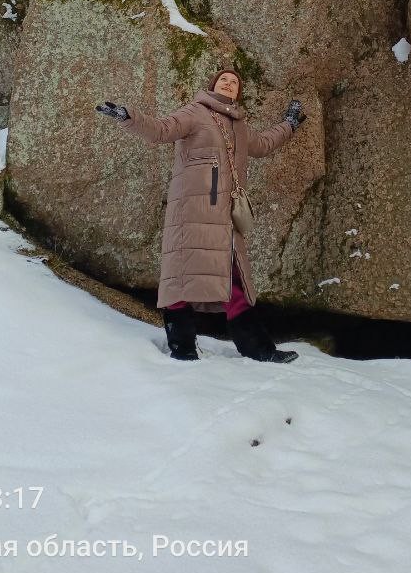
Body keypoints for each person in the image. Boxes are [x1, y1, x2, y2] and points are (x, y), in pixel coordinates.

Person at [96, 67, 306, 363]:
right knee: (180, 277)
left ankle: (260, 349)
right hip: (191, 213)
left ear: (238, 92)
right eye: (224, 80)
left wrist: (289, 125)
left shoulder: (239, 125)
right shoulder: (195, 112)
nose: (229, 84)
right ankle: (182, 348)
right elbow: (162, 129)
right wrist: (128, 116)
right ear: (213, 86)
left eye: (234, 82)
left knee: (234, 281)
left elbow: (263, 144)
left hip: (225, 217)